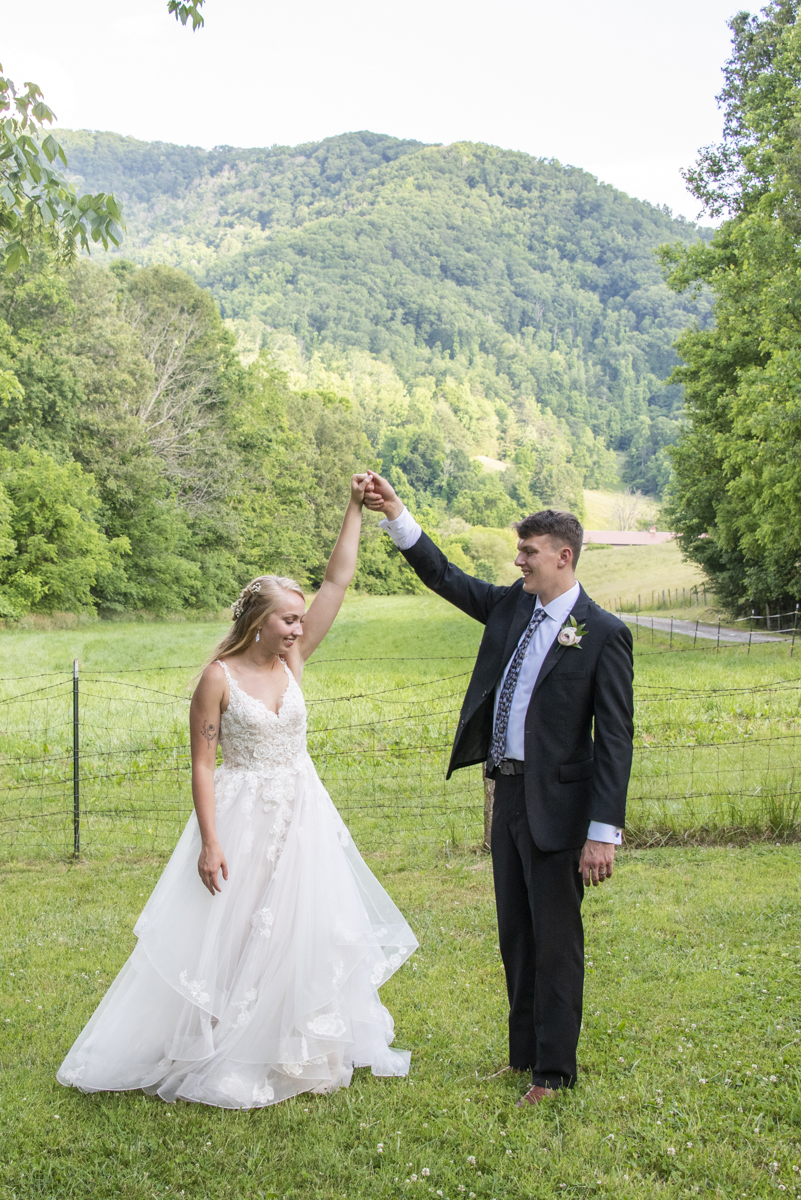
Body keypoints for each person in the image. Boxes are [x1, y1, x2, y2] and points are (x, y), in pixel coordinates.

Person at [58, 474, 417, 1109]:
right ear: (258, 622)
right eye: (287, 618)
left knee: (300, 926)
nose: (297, 627)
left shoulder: (293, 661)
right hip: (241, 811)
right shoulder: (217, 678)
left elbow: (337, 580)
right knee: (238, 926)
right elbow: (201, 763)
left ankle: (293, 1040)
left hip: (303, 811)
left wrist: (353, 511)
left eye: (299, 619)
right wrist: (210, 841)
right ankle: (221, 1041)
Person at [363, 472, 633, 1107]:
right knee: (516, 932)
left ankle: (555, 1072)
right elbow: (446, 578)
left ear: (563, 557)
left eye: (529, 552)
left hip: (561, 810)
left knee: (555, 941)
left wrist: (602, 832)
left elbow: (615, 741)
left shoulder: (604, 634)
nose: (519, 562)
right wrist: (398, 515)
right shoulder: (514, 605)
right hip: (506, 796)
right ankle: (523, 1058)